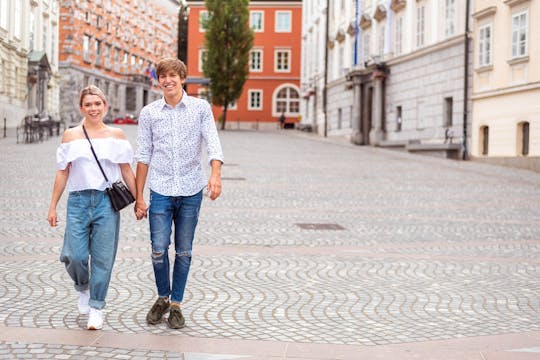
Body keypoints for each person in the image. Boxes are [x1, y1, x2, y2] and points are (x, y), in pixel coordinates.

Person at [134, 58, 224, 329]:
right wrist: (139, 196)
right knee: (159, 250)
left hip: (190, 190)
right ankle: (162, 296)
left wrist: (215, 175)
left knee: (183, 252)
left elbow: (213, 143)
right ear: (158, 80)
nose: (168, 80)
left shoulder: (200, 108)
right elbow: (142, 155)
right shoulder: (149, 113)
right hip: (160, 189)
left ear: (182, 78)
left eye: (173, 75)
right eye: (163, 76)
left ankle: (176, 305)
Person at [47, 85, 136, 330]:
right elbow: (62, 172)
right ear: (81, 107)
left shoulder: (116, 135)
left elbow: (127, 170)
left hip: (107, 203)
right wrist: (52, 206)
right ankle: (83, 287)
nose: (93, 108)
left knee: (102, 258)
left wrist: (140, 201)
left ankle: (96, 307)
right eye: (88, 104)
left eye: (97, 104)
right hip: (77, 201)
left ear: (105, 105)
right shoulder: (70, 136)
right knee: (74, 256)